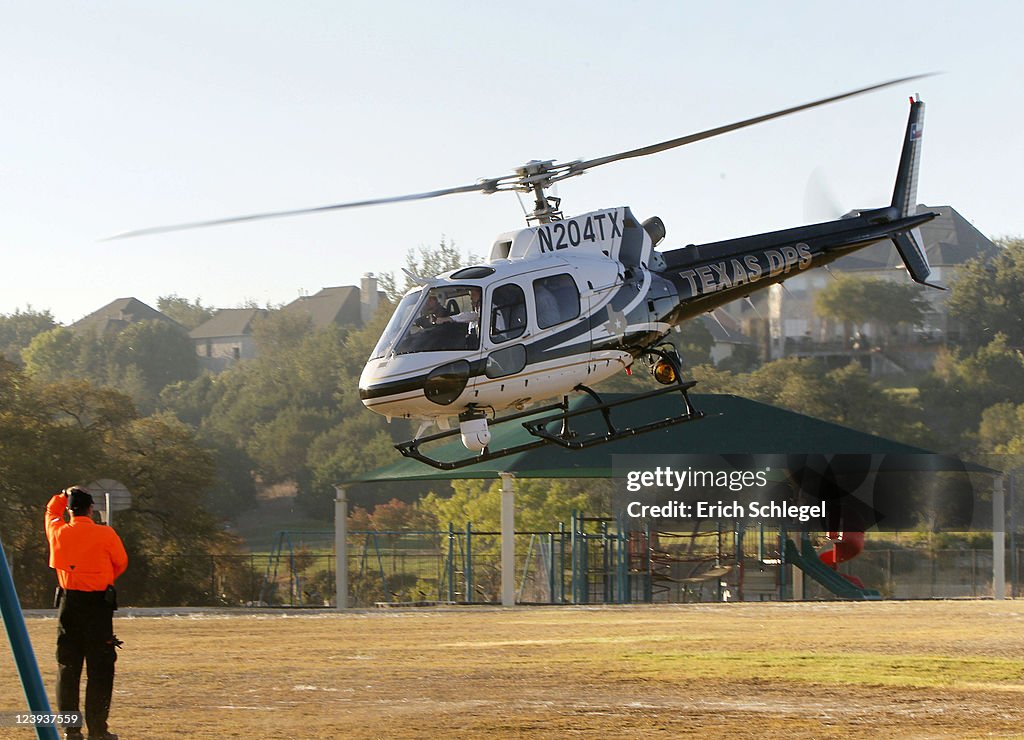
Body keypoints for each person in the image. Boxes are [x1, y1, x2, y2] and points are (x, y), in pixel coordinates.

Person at [45, 487, 128, 740]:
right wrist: (103, 578)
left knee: (68, 667)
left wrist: (62, 494)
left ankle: (72, 730)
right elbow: (121, 562)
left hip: (69, 604)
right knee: (100, 668)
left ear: (70, 509)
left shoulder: (57, 531)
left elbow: (50, 511)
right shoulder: (104, 533)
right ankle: (98, 729)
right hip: (98, 606)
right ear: (91, 509)